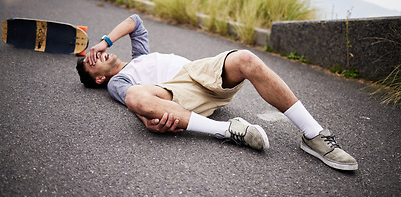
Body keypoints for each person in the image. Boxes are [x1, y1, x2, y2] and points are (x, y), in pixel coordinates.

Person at [76, 14, 358, 171]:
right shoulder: (118, 81)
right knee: (136, 97)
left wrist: (104, 41)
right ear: (99, 79)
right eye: (91, 63)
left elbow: (135, 21)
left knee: (245, 58)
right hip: (176, 95)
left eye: (93, 55)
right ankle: (229, 130)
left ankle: (314, 135)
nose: (95, 57)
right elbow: (134, 101)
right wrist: (148, 119)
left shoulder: (139, 56)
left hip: (200, 73)